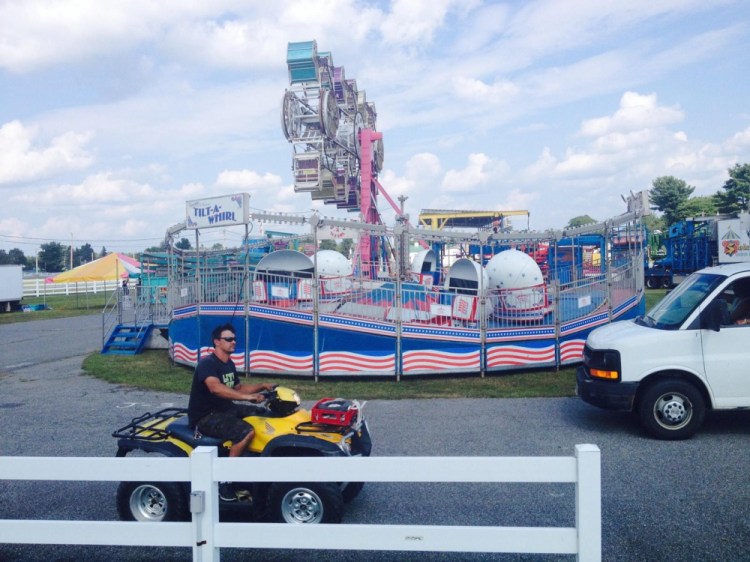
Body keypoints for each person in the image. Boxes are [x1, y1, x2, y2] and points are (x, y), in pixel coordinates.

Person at [187, 323, 274, 458]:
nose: (233, 342)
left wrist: (262, 386)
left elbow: (238, 388)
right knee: (245, 431)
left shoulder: (229, 363)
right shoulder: (207, 363)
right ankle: (228, 474)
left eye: (234, 339)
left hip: (226, 409)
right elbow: (215, 388)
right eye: (228, 339)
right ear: (217, 342)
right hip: (205, 417)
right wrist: (248, 398)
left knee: (263, 415)